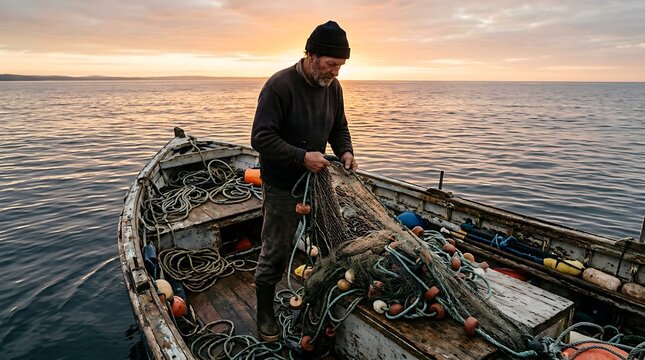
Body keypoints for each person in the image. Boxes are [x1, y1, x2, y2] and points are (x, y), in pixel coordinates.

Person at [250, 20, 358, 342]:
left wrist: (346, 151)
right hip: (283, 185)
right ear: (311, 55)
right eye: (331, 64)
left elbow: (338, 127)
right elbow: (261, 137)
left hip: (318, 182)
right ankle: (265, 315)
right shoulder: (279, 86)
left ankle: (317, 300)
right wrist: (301, 157)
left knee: (331, 241)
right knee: (276, 252)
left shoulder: (332, 88)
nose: (336, 72)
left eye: (340, 66)